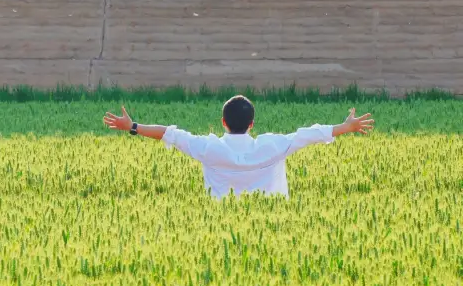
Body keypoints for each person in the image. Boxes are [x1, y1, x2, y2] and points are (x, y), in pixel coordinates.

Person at [103, 95, 374, 200]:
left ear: (222, 122)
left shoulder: (209, 148)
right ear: (252, 124)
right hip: (276, 226)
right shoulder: (273, 146)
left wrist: (133, 127)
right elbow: (310, 134)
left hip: (221, 228)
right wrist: (346, 127)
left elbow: (170, 134)